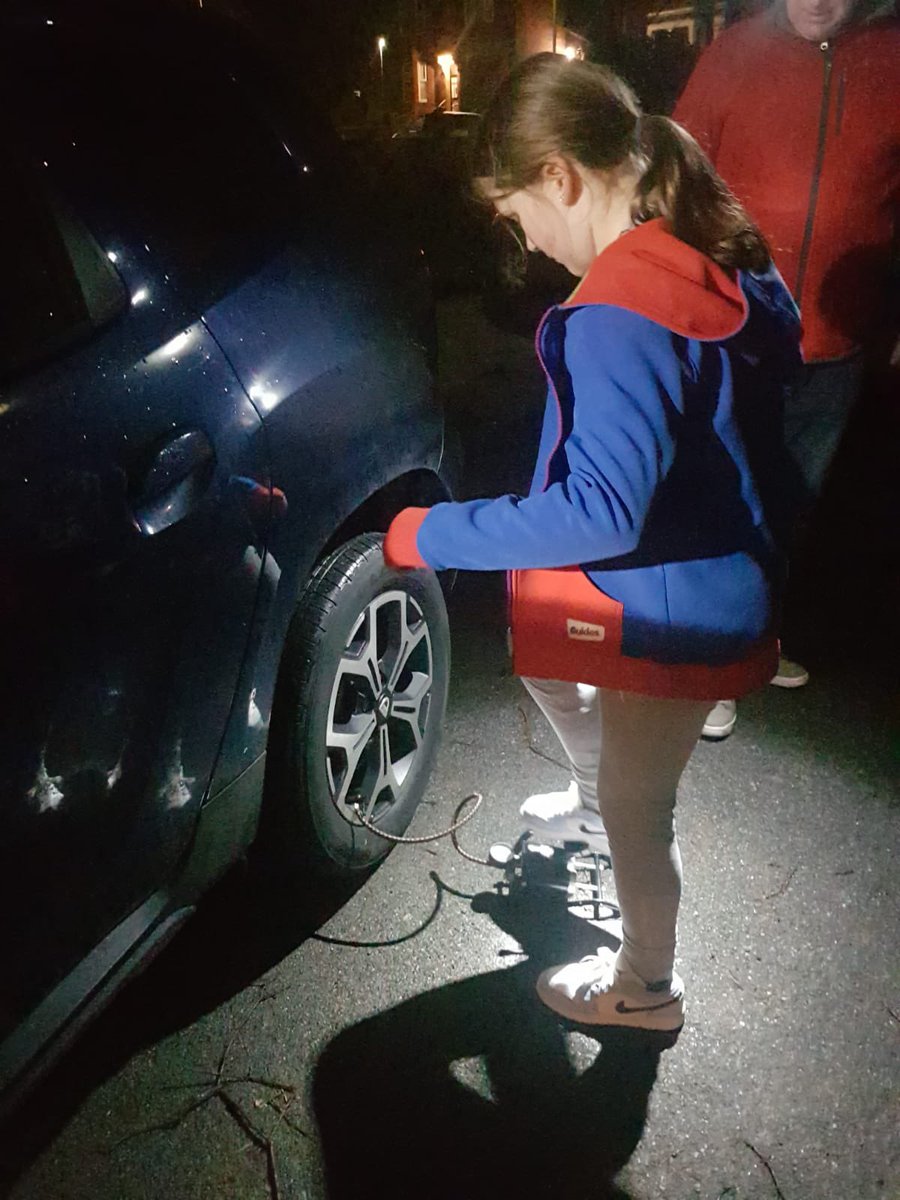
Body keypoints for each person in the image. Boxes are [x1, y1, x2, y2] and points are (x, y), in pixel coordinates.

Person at [383, 53, 801, 1035]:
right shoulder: (699, 251)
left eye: (519, 217)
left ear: (560, 178)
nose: (526, 244)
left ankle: (646, 987)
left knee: (637, 808)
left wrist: (435, 531)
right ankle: (588, 799)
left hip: (674, 602)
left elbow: (602, 512)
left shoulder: (619, 310)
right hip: (710, 565)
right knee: (544, 653)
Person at [673, 0, 900, 739]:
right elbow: (671, 184)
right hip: (735, 337)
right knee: (723, 502)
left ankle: (752, 643)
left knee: (789, 510)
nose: (819, 1)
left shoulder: (892, 58)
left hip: (840, 343)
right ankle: (707, 660)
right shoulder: (732, 55)